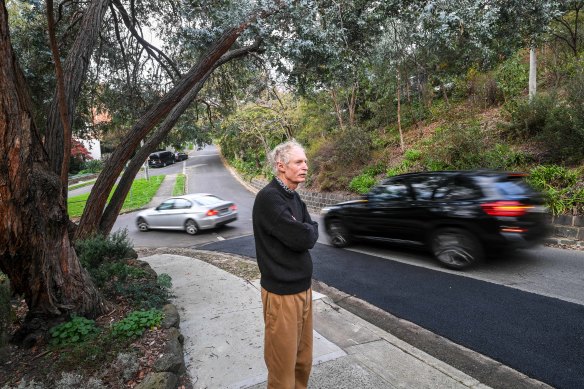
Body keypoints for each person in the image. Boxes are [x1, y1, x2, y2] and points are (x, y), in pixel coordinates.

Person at [252, 140, 319, 389]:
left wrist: (306, 230)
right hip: (281, 296)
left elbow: (311, 231)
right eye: (299, 162)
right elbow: (304, 236)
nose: (305, 166)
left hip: (303, 290)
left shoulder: (294, 197)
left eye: (305, 161)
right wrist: (306, 230)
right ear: (281, 166)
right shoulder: (269, 198)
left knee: (303, 361)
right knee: (282, 367)